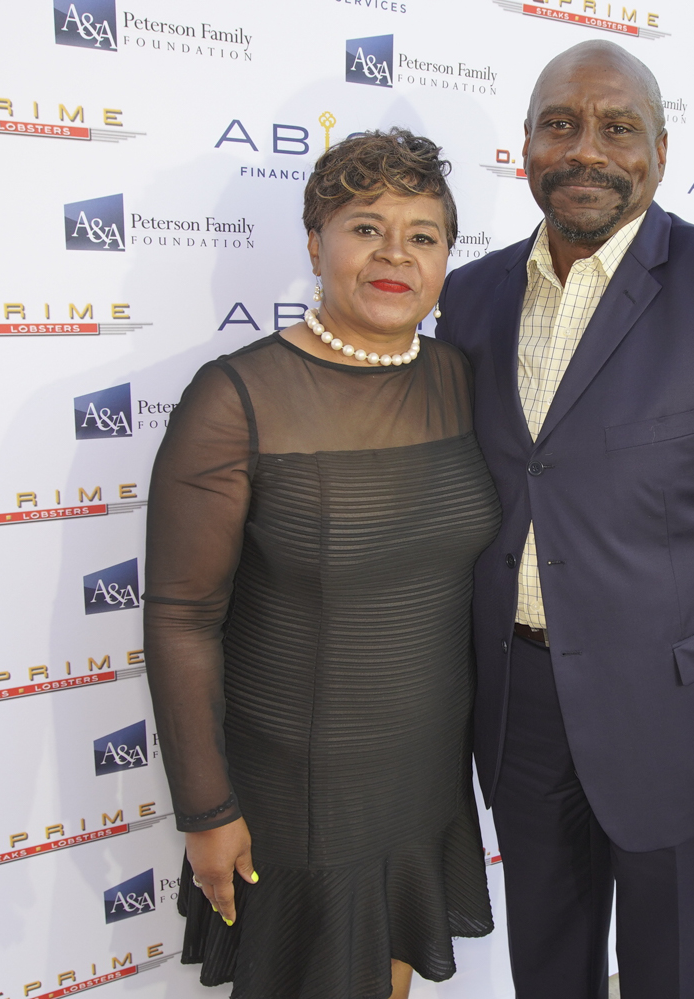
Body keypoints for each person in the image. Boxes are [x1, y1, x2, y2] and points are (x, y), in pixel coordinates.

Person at [435, 41, 694, 999]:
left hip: (684, 725)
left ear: (660, 151)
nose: (587, 149)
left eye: (617, 127)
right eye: (560, 125)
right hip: (521, 709)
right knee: (547, 970)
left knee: (676, 977)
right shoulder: (471, 296)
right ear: (525, 146)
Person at [144, 128, 498, 999]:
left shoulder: (463, 379)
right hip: (299, 788)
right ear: (314, 243)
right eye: (365, 227)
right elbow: (182, 617)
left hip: (423, 773)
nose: (395, 254)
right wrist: (207, 810)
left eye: (422, 235)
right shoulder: (235, 397)